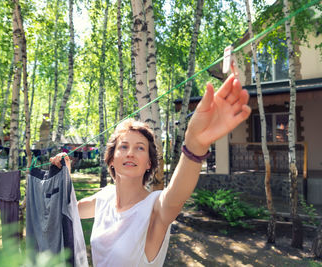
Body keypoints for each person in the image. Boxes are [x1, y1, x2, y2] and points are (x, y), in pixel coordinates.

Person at [50, 74, 251, 266]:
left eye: (140, 148)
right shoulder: (105, 197)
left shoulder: (154, 208)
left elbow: (176, 195)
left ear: (148, 163)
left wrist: (195, 145)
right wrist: (64, 175)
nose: (130, 153)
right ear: (111, 160)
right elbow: (68, 210)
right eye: (123, 146)